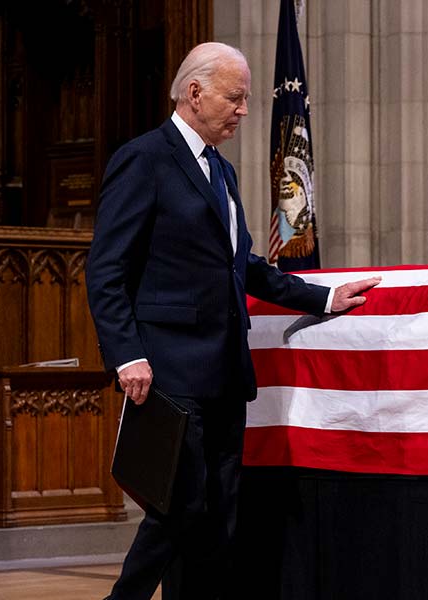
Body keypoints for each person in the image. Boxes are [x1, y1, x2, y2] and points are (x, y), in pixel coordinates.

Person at [86, 42, 379, 600]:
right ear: (195, 93)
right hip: (170, 372)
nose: (245, 110)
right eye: (236, 97)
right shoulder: (144, 158)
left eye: (246, 98)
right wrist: (127, 354)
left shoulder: (220, 170)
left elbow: (242, 264)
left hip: (224, 372)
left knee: (217, 518)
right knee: (178, 508)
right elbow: (105, 269)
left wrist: (323, 298)